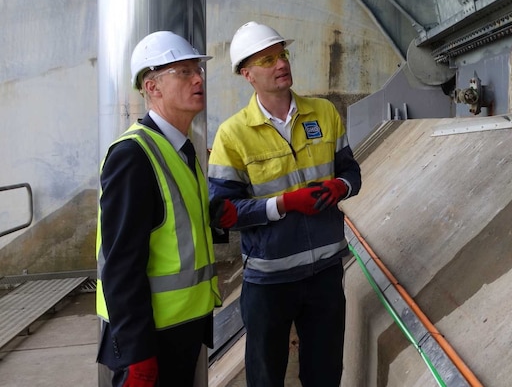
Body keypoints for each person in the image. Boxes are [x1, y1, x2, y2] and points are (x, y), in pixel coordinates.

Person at [208, 21, 362, 387]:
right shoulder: (233, 134)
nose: (281, 64)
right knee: (265, 377)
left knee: (324, 375)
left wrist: (340, 188)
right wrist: (284, 204)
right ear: (248, 75)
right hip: (269, 281)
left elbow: (351, 171)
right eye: (268, 59)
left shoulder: (323, 114)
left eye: (282, 55)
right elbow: (222, 212)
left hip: (325, 273)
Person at [96, 31, 234, 387]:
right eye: (184, 71)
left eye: (197, 70)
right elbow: (120, 264)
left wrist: (215, 215)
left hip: (181, 330)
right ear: (152, 86)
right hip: (150, 339)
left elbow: (172, 226)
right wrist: (136, 354)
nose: (198, 78)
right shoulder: (133, 155)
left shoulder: (182, 149)